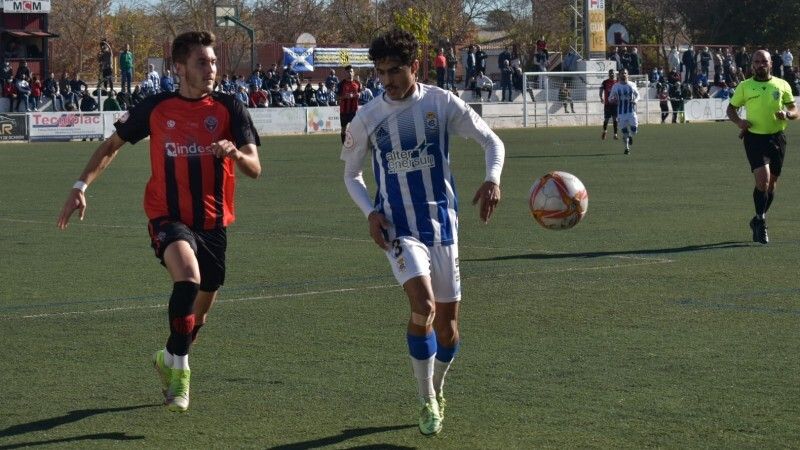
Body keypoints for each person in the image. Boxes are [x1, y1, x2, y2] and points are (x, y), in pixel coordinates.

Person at [56, 30, 261, 413]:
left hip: (213, 223)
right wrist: (80, 185)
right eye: (203, 62)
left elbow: (255, 169)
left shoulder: (230, 108)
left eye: (214, 61)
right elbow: (110, 146)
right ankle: (181, 375)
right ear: (179, 67)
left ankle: (168, 356)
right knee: (188, 277)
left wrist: (234, 152)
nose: (211, 68)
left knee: (199, 311)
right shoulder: (156, 107)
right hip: (167, 217)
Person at [340, 28, 505, 437]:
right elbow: (351, 174)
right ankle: (425, 398)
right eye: (380, 73)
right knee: (423, 306)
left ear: (415, 66)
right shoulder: (368, 118)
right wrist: (370, 212)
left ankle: (438, 385)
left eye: (395, 71)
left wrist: (492, 179)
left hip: (443, 227)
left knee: (448, 331)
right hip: (399, 229)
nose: (388, 81)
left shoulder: (440, 103)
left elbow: (492, 142)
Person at [726, 50, 797, 245]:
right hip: (754, 139)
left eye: (763, 61)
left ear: (770, 64)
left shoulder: (782, 84)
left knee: (772, 185)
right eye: (756, 62)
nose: (760, 65)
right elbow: (730, 109)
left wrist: (787, 114)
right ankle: (762, 223)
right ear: (752, 65)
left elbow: (794, 109)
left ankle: (757, 219)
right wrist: (739, 122)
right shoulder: (745, 86)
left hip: (777, 138)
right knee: (763, 182)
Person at [608, 68, 639, 155]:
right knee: (624, 132)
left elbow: (638, 95)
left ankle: (630, 136)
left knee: (634, 130)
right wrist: (612, 100)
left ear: (628, 75)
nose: (623, 75)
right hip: (621, 113)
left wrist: (635, 101)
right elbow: (610, 98)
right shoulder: (616, 86)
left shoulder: (632, 85)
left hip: (631, 112)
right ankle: (626, 148)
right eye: (622, 73)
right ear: (619, 75)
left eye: (625, 73)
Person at [336, 65, 361, 143]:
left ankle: (355, 145)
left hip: (354, 110)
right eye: (348, 72)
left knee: (356, 129)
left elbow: (360, 92)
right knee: (343, 129)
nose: (350, 73)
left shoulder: (357, 83)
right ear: (345, 73)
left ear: (353, 73)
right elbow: (337, 98)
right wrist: (345, 96)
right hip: (344, 110)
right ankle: (344, 145)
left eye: (351, 71)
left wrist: (359, 94)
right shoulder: (341, 84)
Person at [599, 69, 618, 140]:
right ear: (609, 74)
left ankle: (615, 134)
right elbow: (601, 90)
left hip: (615, 104)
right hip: (607, 104)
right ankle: (604, 131)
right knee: (606, 119)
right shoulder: (605, 82)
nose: (612, 74)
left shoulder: (617, 82)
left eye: (613, 73)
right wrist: (601, 97)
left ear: (614, 74)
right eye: (610, 73)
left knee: (615, 119)